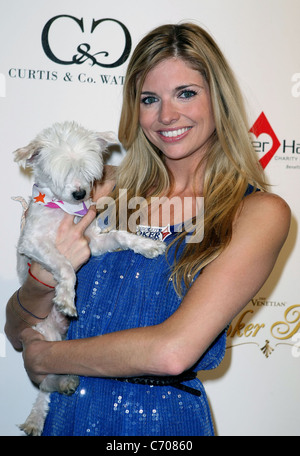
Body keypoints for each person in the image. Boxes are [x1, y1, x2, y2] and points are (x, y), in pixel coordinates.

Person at [5, 23, 290, 436]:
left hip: (161, 427)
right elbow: (17, 331)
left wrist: (46, 358)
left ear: (219, 100)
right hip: (65, 418)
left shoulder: (255, 212)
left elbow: (173, 351)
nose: (167, 115)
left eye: (186, 93)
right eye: (150, 99)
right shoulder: (97, 189)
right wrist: (41, 278)